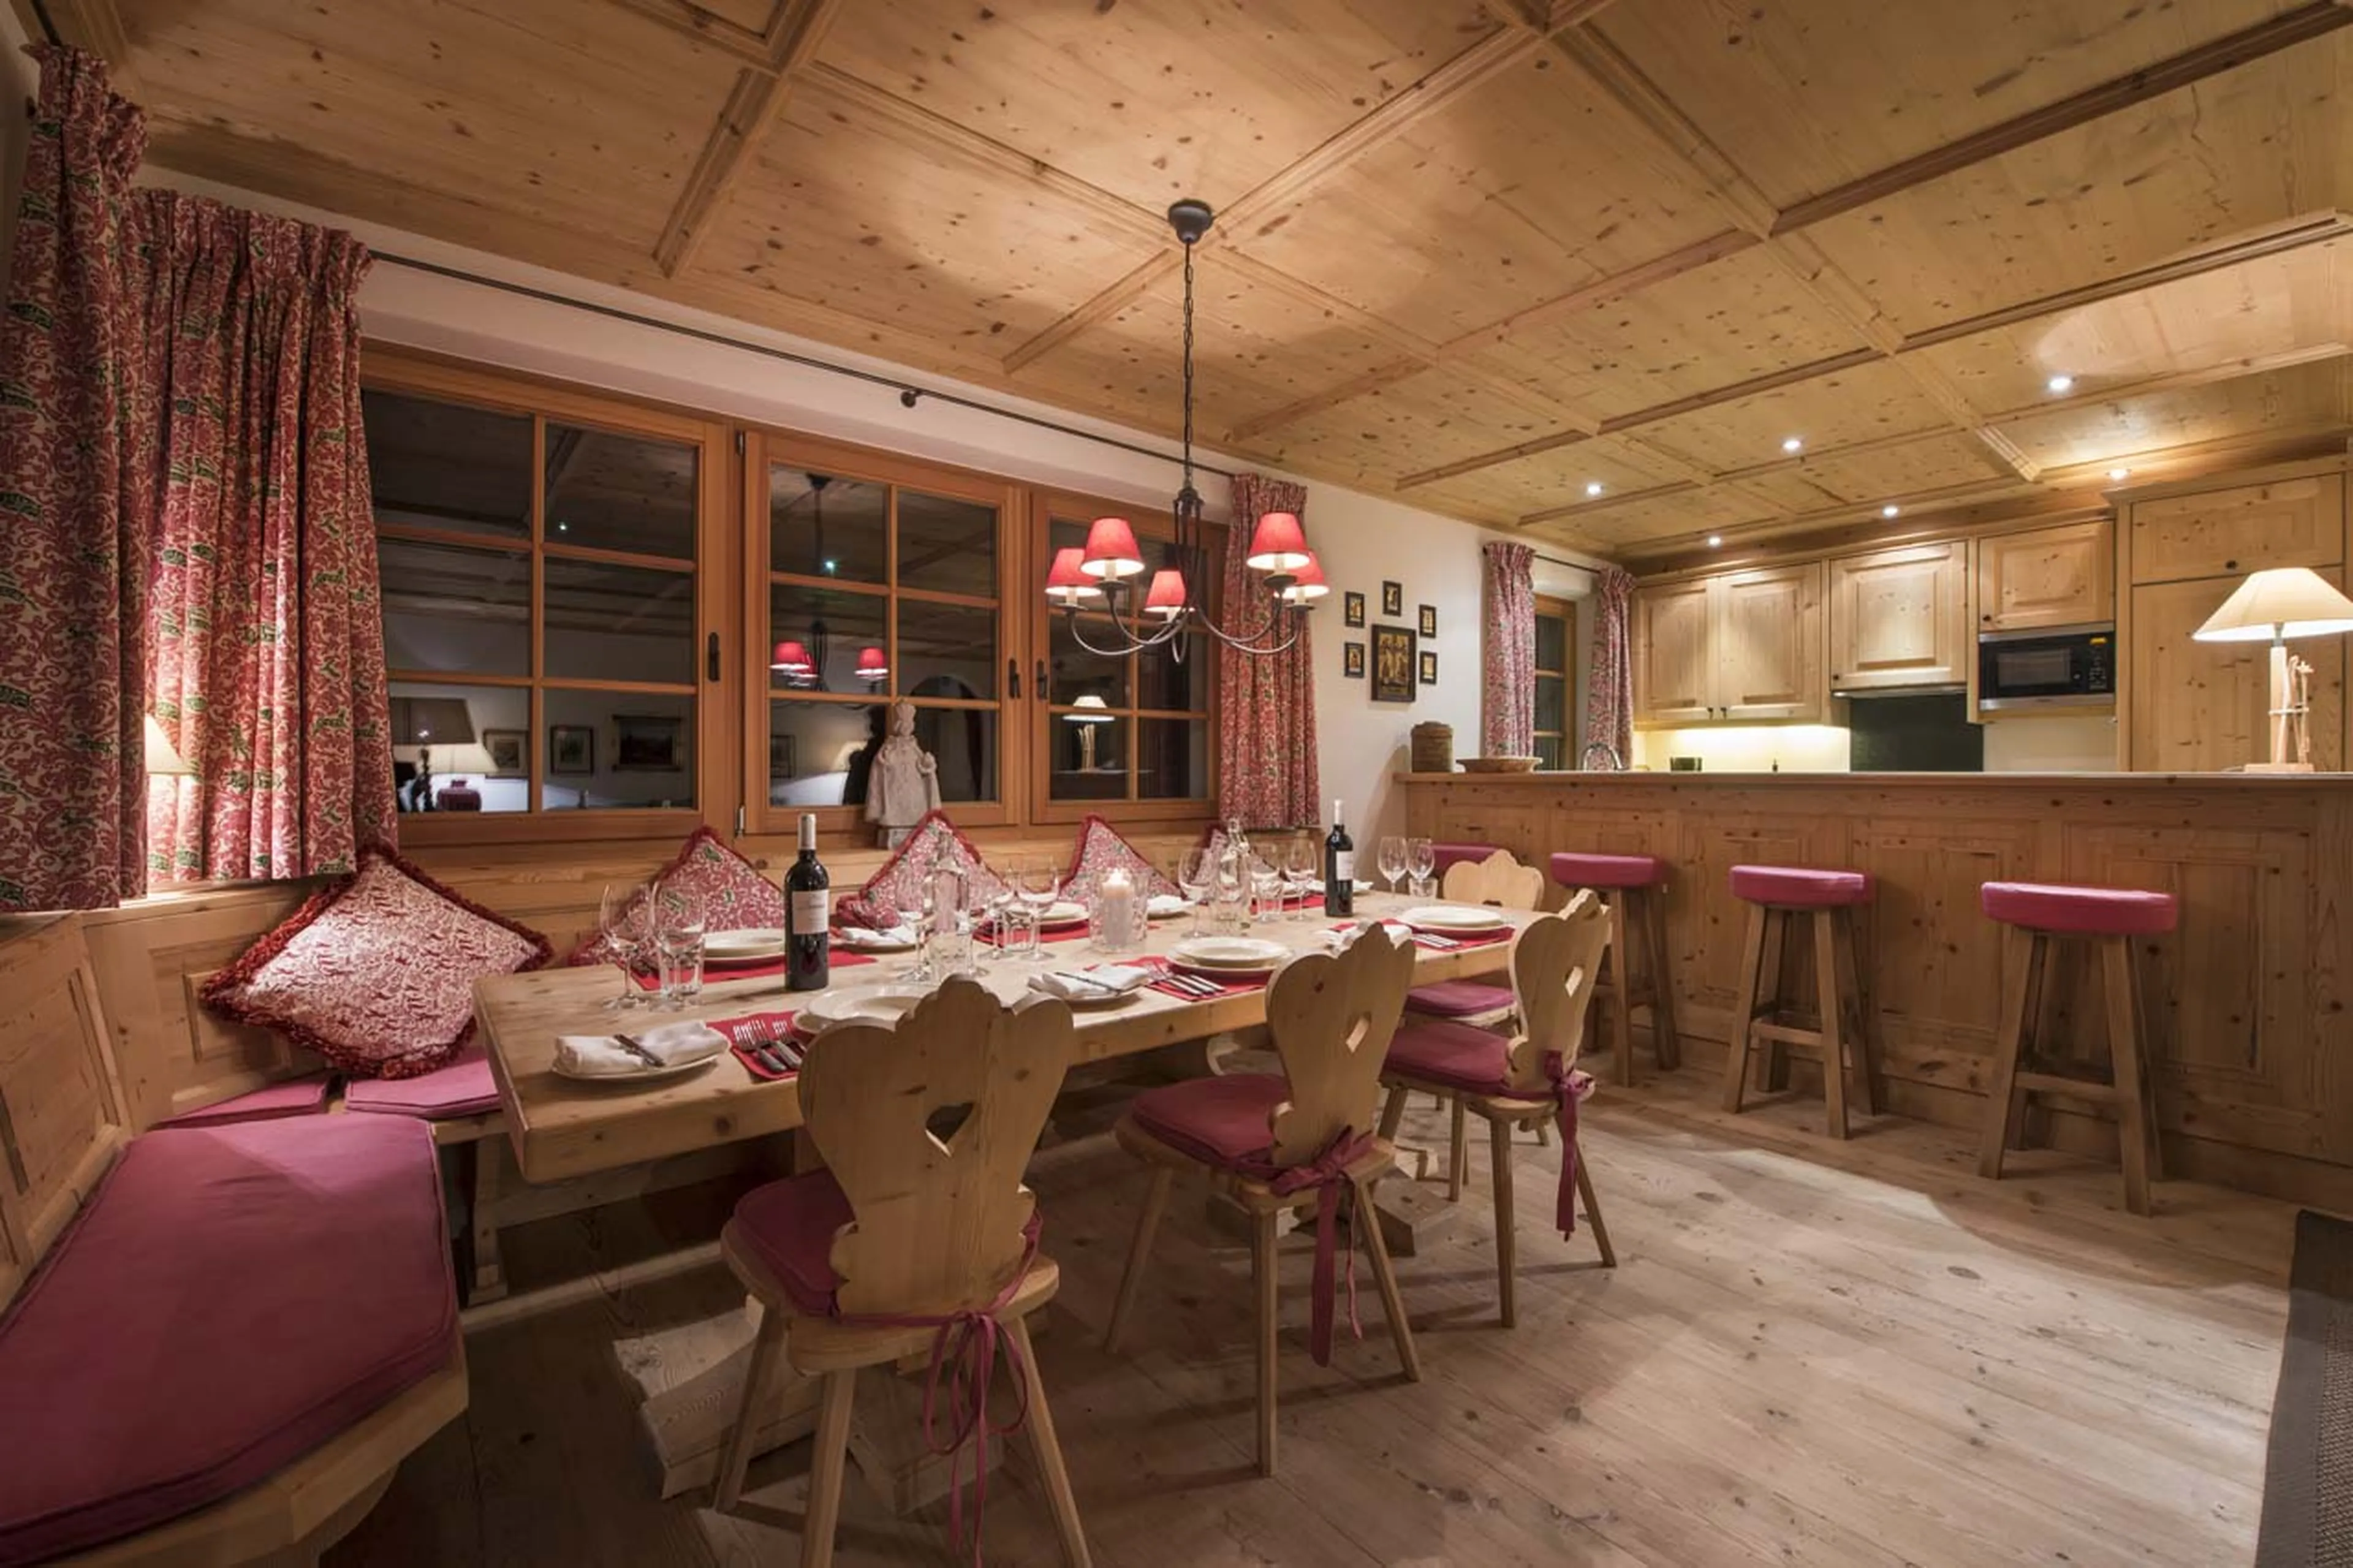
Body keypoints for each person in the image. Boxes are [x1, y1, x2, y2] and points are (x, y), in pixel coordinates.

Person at [866, 699, 941, 844]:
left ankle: (914, 819)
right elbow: (880, 767)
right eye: (903, 724)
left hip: (913, 791)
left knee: (914, 803)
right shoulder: (889, 747)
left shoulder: (915, 747)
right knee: (895, 800)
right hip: (896, 788)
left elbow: (925, 768)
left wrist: (927, 763)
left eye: (909, 724)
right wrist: (884, 760)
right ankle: (894, 818)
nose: (906, 728)